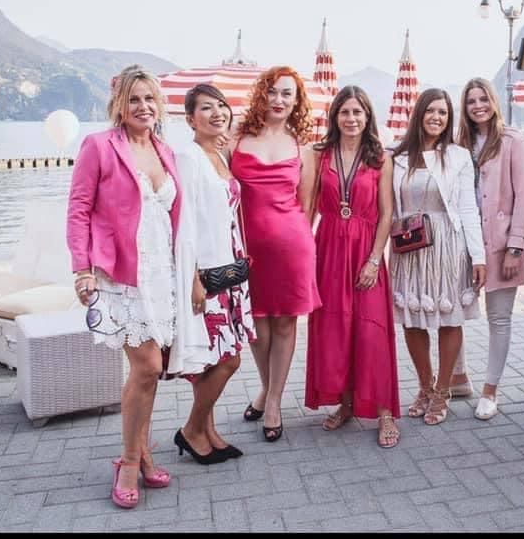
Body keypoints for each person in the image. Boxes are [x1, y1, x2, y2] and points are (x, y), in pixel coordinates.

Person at [67, 68, 181, 509]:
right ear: (119, 104)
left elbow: (173, 218)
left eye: (150, 99)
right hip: (120, 275)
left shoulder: (165, 151)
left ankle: (143, 451)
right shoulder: (99, 146)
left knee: (151, 371)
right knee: (147, 366)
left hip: (161, 274)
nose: (143, 107)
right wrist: (82, 269)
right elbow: (79, 208)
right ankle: (129, 462)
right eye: (134, 99)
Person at [303, 85, 401, 448]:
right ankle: (345, 403)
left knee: (371, 332)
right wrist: (302, 255)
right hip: (328, 249)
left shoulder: (381, 158)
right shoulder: (320, 155)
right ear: (335, 117)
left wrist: (375, 259)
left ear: (367, 116)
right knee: (336, 330)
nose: (351, 118)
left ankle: (385, 411)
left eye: (357, 112)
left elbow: (387, 213)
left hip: (365, 249)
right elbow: (308, 209)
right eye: (344, 112)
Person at [230, 66, 321, 442]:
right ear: (261, 95)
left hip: (291, 247)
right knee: (256, 325)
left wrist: (298, 244)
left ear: (297, 102)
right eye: (272, 92)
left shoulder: (303, 148)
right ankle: (268, 388)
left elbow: (307, 206)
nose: (279, 100)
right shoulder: (235, 138)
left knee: (284, 323)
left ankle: (273, 402)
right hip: (246, 250)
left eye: (287, 94)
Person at [169, 84, 255, 464]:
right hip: (206, 274)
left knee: (213, 360)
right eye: (206, 108)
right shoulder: (188, 157)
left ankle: (208, 430)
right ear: (190, 119)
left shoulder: (218, 153)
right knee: (227, 360)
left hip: (229, 269)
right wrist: (191, 279)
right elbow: (183, 222)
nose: (217, 112)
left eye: (221, 105)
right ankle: (191, 430)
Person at [391, 88, 486, 425]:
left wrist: (478, 256)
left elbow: (469, 208)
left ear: (449, 118)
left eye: (443, 112)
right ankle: (425, 386)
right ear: (419, 114)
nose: (436, 117)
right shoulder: (397, 156)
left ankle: (444, 389)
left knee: (449, 317)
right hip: (408, 246)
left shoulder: (458, 156)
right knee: (412, 317)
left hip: (447, 243)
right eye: (431, 110)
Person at [453, 77, 524, 420]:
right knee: (452, 312)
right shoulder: (458, 143)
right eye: (471, 101)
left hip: (502, 244)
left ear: (494, 101)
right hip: (462, 244)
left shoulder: (513, 140)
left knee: (499, 318)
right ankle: (459, 377)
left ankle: (490, 390)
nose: (478, 106)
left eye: (483, 99)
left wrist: (516, 246)